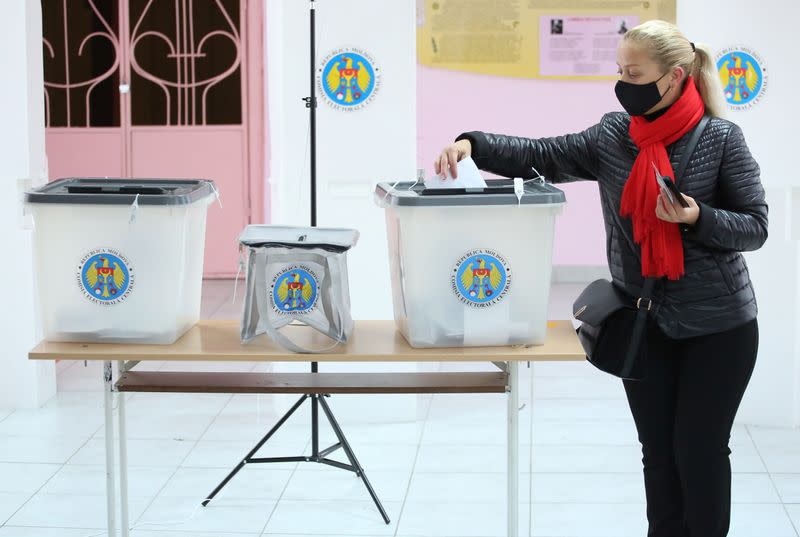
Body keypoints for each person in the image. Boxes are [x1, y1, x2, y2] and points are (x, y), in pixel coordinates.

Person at [434, 19, 767, 537]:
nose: (623, 82)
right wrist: (472, 144)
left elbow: (756, 226)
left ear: (676, 76)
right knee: (657, 454)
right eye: (619, 70)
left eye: (634, 73)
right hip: (644, 323)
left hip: (719, 327)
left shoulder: (721, 138)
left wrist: (697, 218)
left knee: (698, 451)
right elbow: (540, 154)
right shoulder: (614, 135)